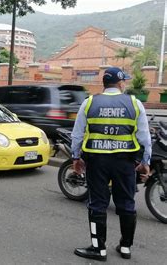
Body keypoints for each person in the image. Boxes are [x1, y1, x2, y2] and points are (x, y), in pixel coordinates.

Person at [71, 67, 151, 261]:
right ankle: (125, 247)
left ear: (104, 84)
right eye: (125, 82)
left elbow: (77, 134)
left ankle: (99, 248)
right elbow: (144, 136)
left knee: (97, 204)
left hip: (97, 161)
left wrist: (75, 157)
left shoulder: (89, 103)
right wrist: (145, 161)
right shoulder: (134, 103)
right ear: (121, 83)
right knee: (126, 203)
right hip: (125, 162)